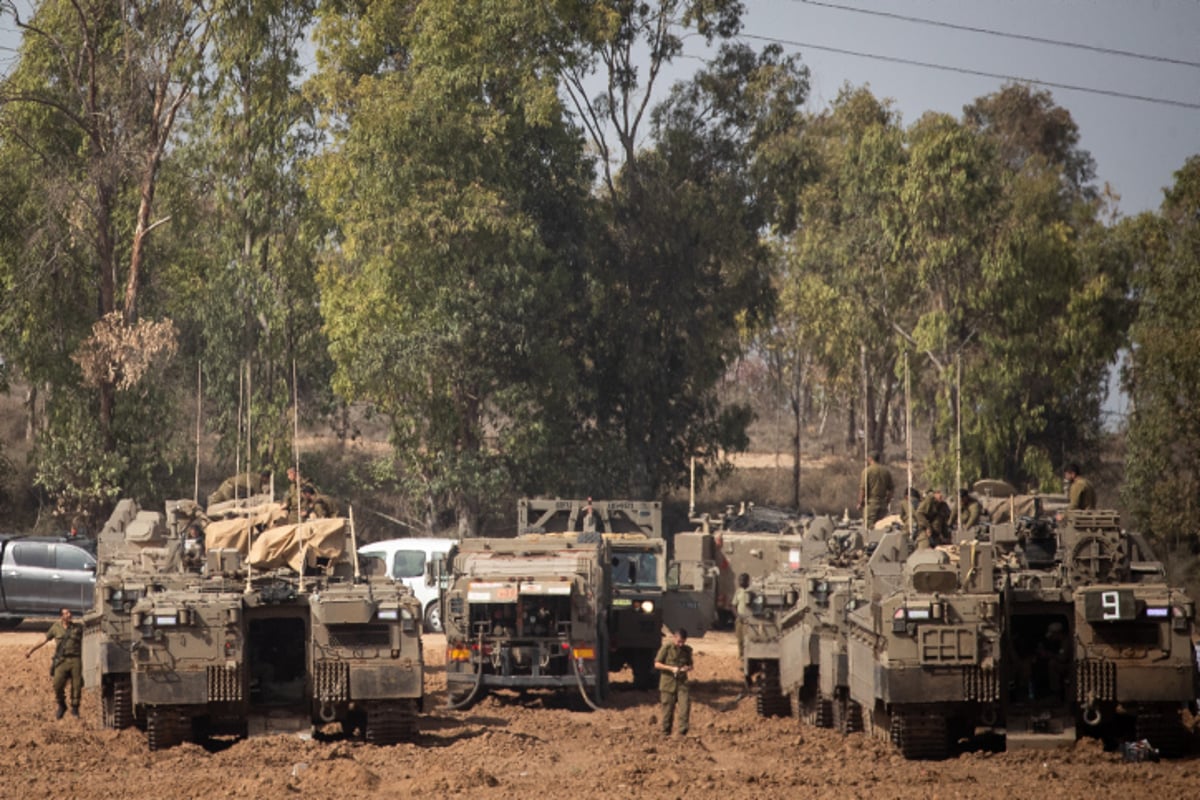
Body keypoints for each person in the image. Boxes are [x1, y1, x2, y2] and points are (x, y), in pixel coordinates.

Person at [26, 607, 84, 719]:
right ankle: (62, 705)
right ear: (61, 616)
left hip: (75, 659)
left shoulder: (78, 628)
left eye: (69, 613)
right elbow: (44, 639)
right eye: (66, 613)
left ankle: (75, 708)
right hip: (61, 660)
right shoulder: (56, 628)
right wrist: (31, 650)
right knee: (57, 684)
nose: (69, 615)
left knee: (76, 686)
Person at [654, 628, 694, 736]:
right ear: (674, 638)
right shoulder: (667, 648)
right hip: (668, 684)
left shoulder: (687, 650)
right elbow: (657, 664)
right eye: (679, 641)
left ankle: (682, 733)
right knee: (668, 711)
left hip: (682, 684)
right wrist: (671, 668)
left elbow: (691, 665)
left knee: (684, 709)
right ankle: (665, 733)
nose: (680, 644)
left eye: (683, 642)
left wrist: (687, 668)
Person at [857, 452, 895, 529]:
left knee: (869, 529)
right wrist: (887, 501)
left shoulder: (867, 471)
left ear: (870, 458)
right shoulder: (886, 471)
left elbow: (863, 489)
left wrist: (860, 503)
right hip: (883, 504)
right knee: (882, 527)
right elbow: (891, 489)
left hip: (871, 504)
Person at [207, 468, 272, 506]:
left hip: (227, 485)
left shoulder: (254, 476)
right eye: (268, 479)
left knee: (217, 501)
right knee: (230, 506)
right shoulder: (256, 480)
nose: (268, 481)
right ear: (265, 477)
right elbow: (259, 494)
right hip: (229, 488)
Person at [732, 573, 752, 668]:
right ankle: (741, 658)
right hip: (740, 619)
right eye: (739, 580)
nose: (740, 582)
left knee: (747, 640)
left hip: (749, 620)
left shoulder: (752, 591)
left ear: (747, 581)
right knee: (740, 640)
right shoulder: (738, 592)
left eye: (742, 580)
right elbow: (733, 605)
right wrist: (738, 616)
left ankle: (747, 659)